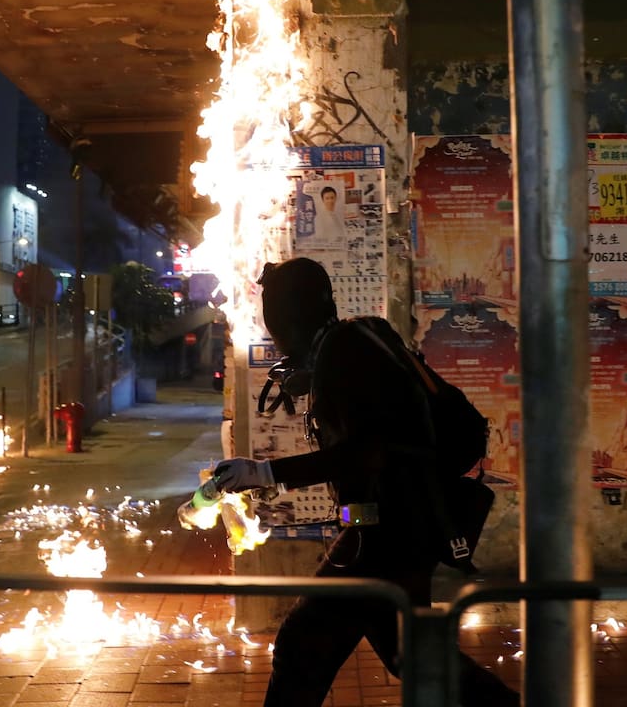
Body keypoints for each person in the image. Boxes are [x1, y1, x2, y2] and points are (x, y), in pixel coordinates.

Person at [213, 257, 518, 707]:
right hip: (397, 528)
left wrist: (265, 474)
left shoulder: (344, 350)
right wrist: (317, 378)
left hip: (384, 533)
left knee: (302, 644)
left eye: (274, 314)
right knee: (411, 654)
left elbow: (367, 451)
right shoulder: (351, 341)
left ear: (289, 314)